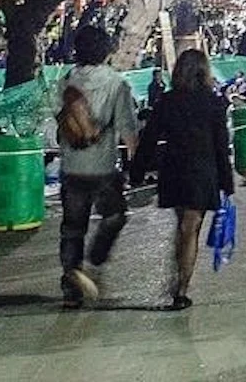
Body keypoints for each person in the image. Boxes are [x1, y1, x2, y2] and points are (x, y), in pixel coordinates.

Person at [130, 49, 233, 310]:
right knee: (191, 228)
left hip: (174, 170)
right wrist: (227, 182)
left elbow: (149, 139)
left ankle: (178, 279)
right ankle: (181, 288)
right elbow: (222, 146)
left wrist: (137, 171)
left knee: (183, 225)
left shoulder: (167, 101)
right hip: (202, 171)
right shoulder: (214, 102)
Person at [56, 25, 139, 309]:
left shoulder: (66, 80)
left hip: (71, 166)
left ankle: (71, 283)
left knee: (71, 229)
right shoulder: (118, 83)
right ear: (106, 51)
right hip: (103, 167)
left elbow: (55, 120)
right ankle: (96, 259)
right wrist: (136, 166)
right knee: (115, 215)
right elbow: (128, 129)